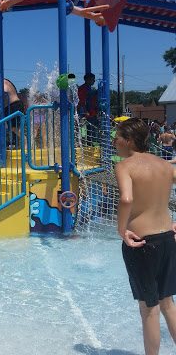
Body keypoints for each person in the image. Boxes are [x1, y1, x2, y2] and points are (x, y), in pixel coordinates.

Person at [113, 118, 176, 355]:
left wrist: (121, 231)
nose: (114, 141)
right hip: (167, 239)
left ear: (128, 140)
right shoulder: (165, 165)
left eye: (117, 136)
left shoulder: (125, 166)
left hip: (142, 242)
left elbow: (126, 199)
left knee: (149, 309)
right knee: (167, 304)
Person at [0, 75, 25, 147]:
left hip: (13, 105)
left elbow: (4, 91)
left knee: (13, 127)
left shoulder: (2, 82)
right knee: (16, 127)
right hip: (13, 105)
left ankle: (25, 140)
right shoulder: (5, 82)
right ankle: (22, 144)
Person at [77, 73, 98, 143]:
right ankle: (80, 141)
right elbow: (82, 101)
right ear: (87, 79)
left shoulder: (88, 88)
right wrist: (86, 111)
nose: (94, 81)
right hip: (83, 110)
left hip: (89, 110)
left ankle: (90, 142)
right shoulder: (83, 89)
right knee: (81, 126)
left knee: (90, 127)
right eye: (92, 79)